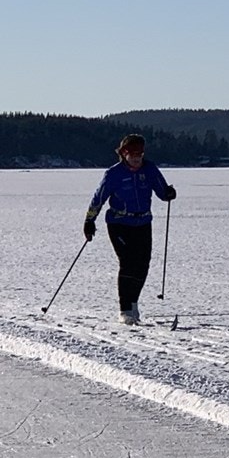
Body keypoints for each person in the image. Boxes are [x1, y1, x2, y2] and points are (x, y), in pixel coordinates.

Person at [84, 134, 175, 324]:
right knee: (128, 263)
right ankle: (125, 309)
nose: (137, 158)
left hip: (142, 223)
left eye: (140, 154)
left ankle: (133, 303)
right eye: (133, 154)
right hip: (119, 224)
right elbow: (98, 198)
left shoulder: (149, 169)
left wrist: (168, 194)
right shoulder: (113, 174)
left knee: (143, 265)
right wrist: (90, 220)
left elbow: (161, 191)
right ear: (124, 153)